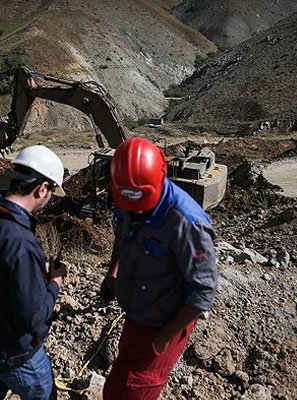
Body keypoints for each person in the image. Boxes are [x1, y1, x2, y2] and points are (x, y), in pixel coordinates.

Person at [100, 138, 218, 399]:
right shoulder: (129, 192)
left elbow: (204, 292)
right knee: (119, 384)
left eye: (142, 202)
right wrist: (113, 272)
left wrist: (163, 338)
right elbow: (122, 231)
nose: (135, 209)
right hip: (138, 313)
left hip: (163, 324)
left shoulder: (187, 223)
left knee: (131, 391)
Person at [0, 145, 67, 400]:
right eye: (51, 192)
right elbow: (33, 318)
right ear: (42, 189)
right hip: (18, 355)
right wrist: (55, 284)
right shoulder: (21, 243)